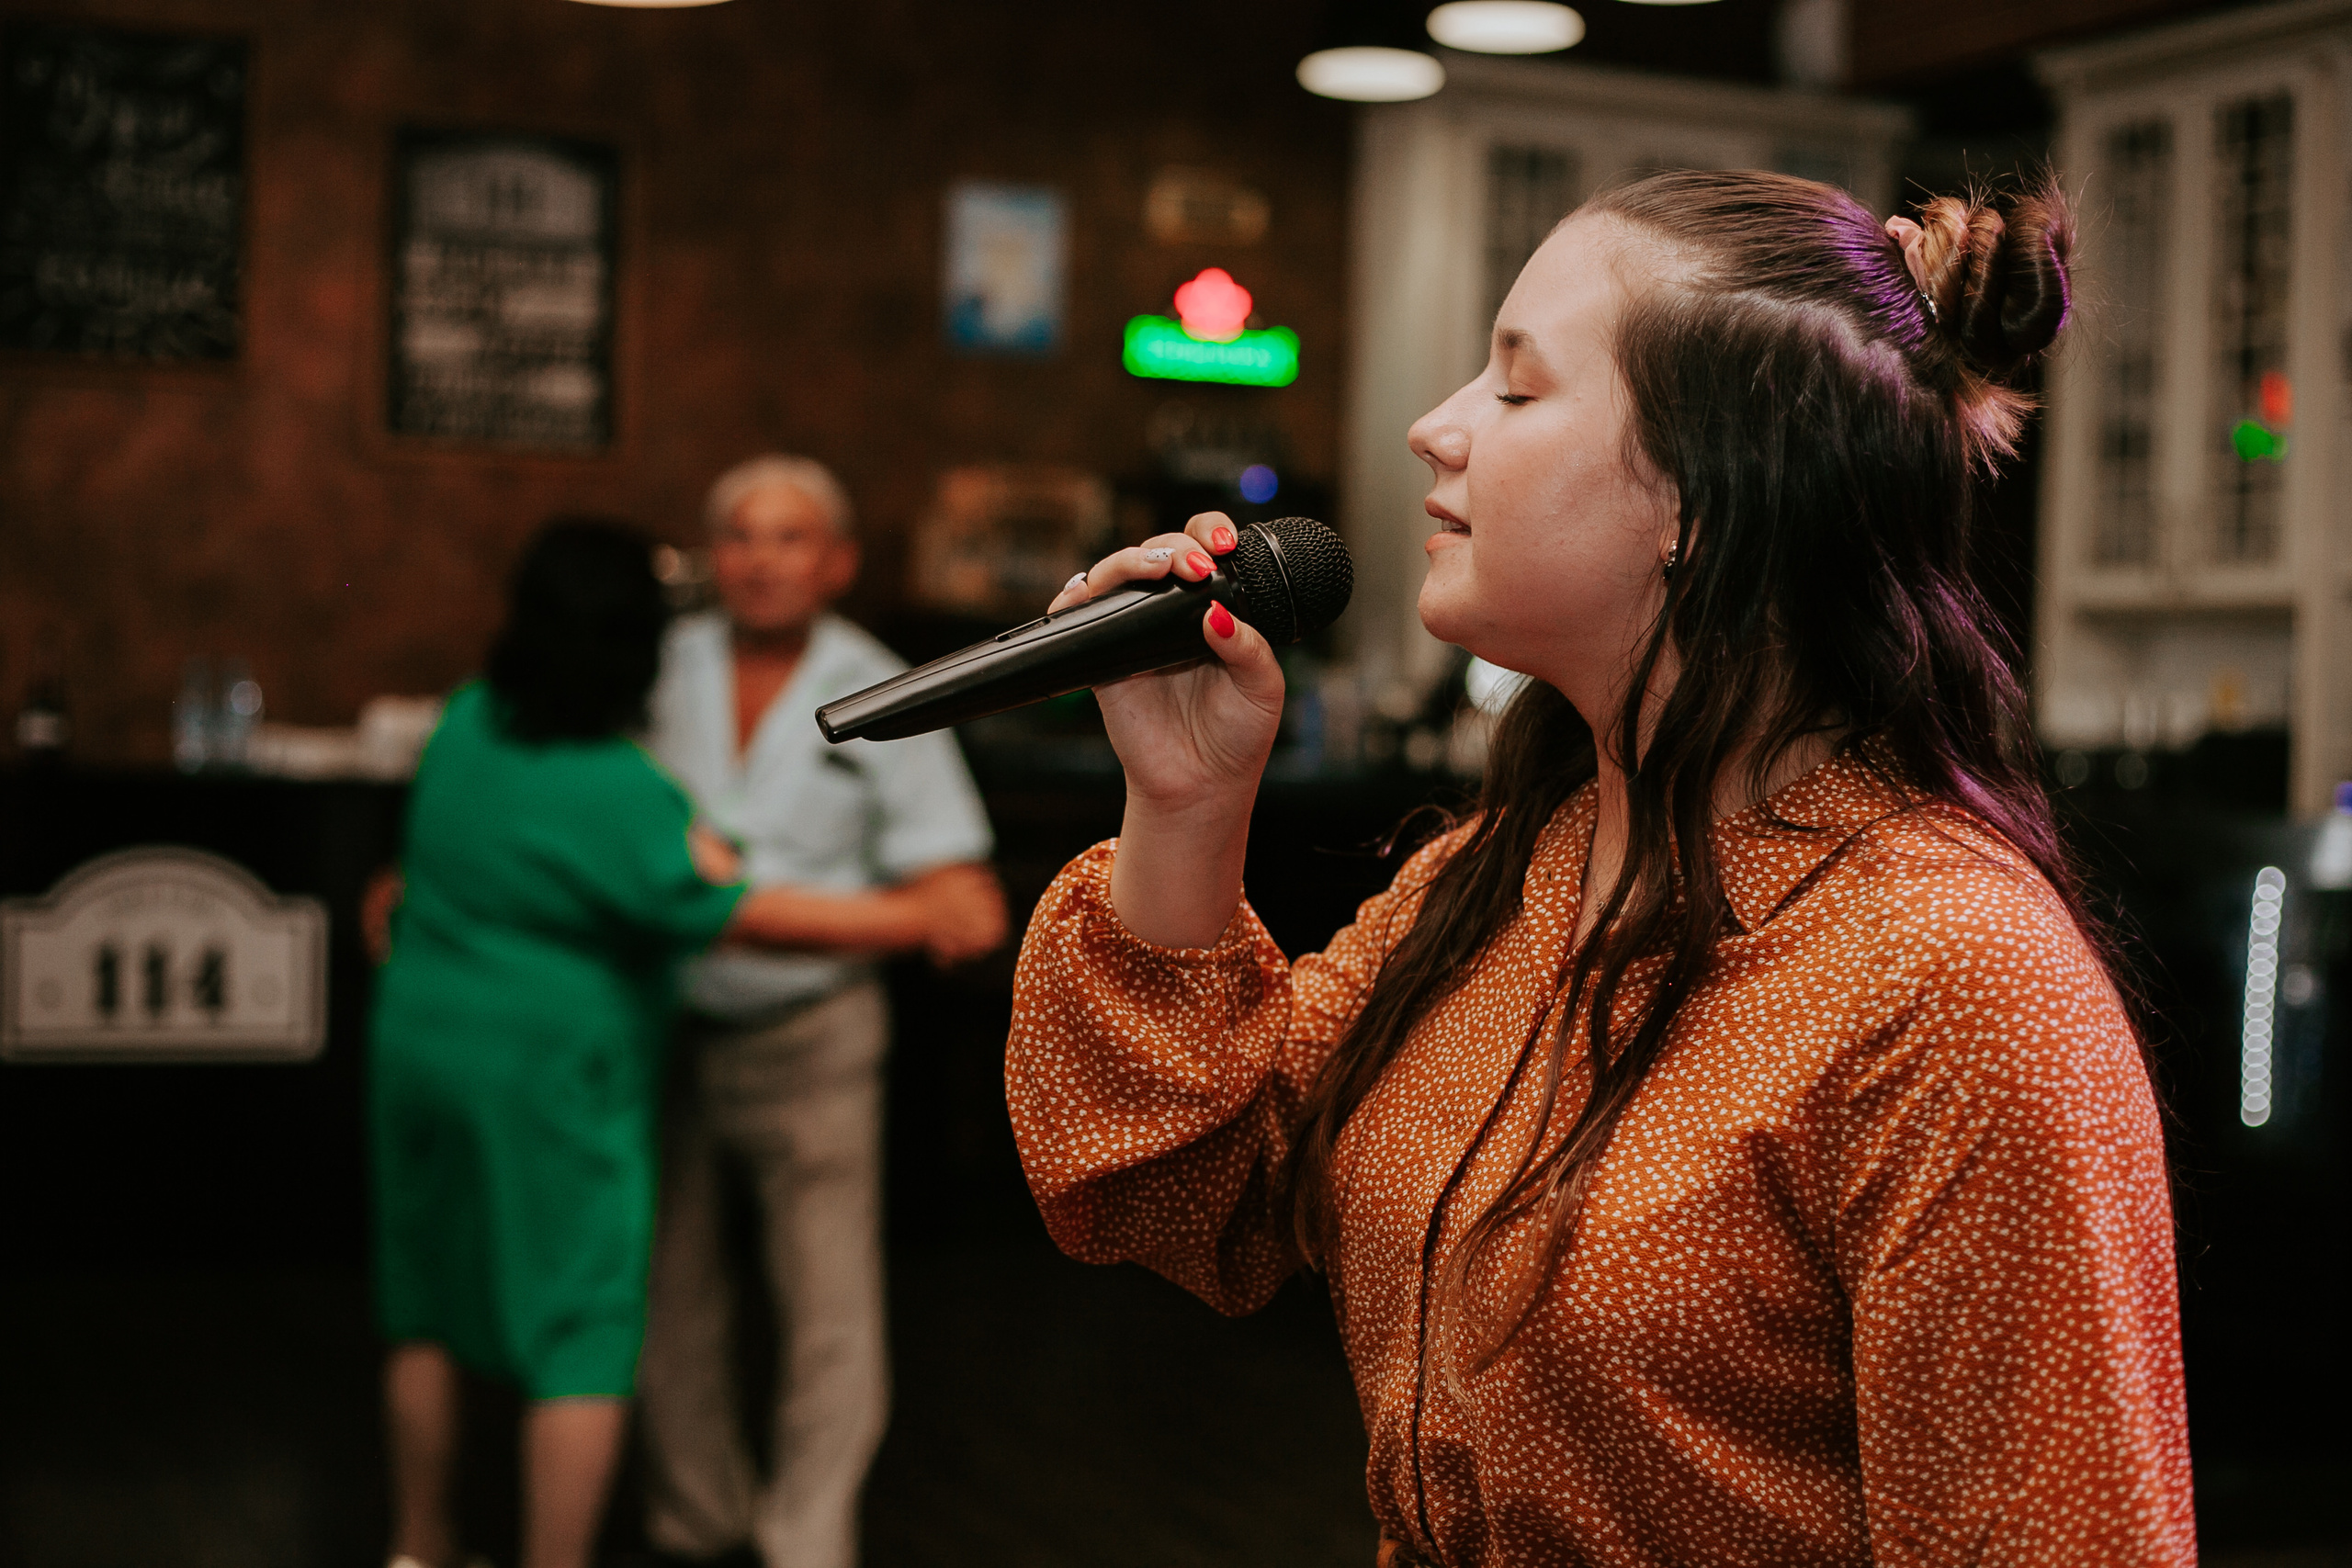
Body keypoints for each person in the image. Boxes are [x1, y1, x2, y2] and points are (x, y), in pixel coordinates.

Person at [1004, 171, 2195, 1567]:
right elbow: (1183, 1190)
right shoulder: (1515, 869)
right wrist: (1187, 799)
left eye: (1516, 392)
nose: (1432, 426)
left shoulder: (1956, 979)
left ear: (1706, 491)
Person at [368, 519, 933, 1568]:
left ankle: (418, 1546)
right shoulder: (621, 793)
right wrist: (925, 919)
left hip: (417, 1040)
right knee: (581, 1328)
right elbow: (722, 899)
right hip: (547, 1073)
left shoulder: (464, 722)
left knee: (425, 1302)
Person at [638, 455, 1004, 1568]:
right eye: (740, 536)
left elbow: (967, 907)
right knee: (666, 1304)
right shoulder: (653, 666)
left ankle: (806, 1544)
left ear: (836, 562)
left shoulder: (889, 686)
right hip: (658, 1033)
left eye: (788, 537)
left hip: (816, 1040)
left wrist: (746, 913)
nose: (759, 559)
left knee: (827, 1317)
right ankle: (695, 1522)